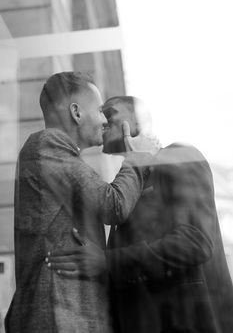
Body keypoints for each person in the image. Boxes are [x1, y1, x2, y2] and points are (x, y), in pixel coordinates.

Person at [48, 96, 233, 333]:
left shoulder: (177, 156)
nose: (103, 119)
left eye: (110, 112)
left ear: (138, 122)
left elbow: (194, 242)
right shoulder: (130, 183)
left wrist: (107, 262)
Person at [5, 76, 159, 333]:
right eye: (100, 110)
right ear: (76, 112)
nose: (104, 120)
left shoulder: (59, 154)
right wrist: (138, 159)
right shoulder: (47, 144)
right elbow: (113, 205)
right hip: (59, 317)